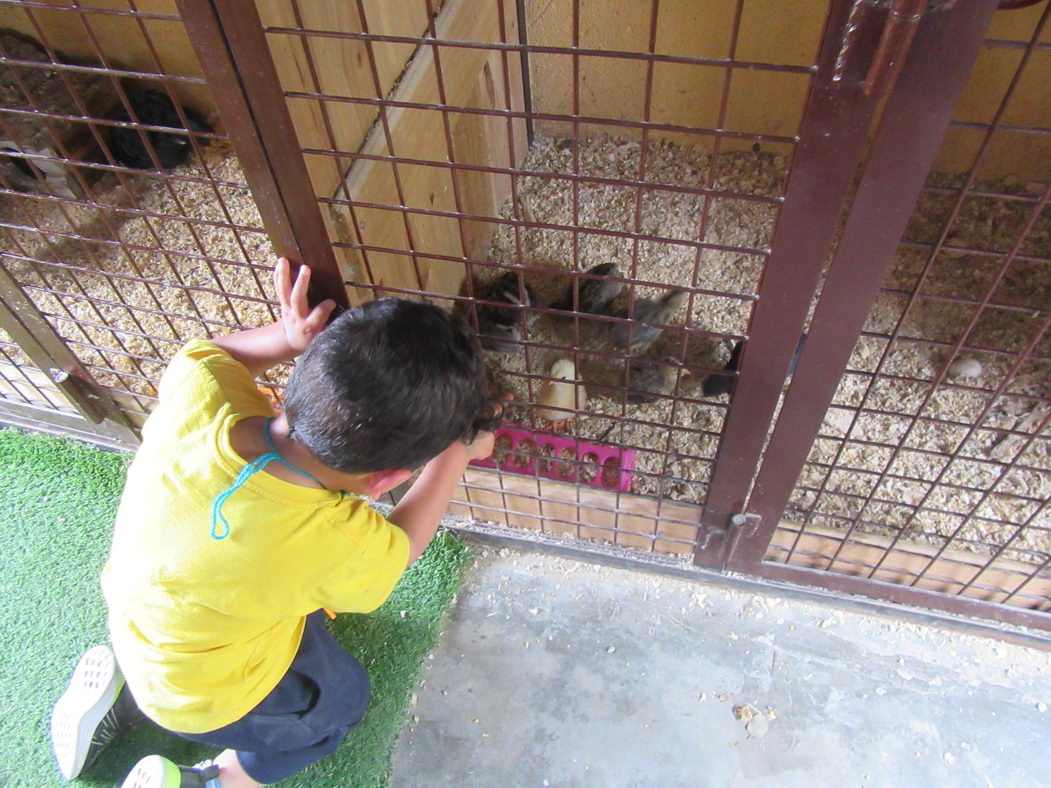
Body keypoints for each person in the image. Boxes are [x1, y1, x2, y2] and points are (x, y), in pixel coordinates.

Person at [49, 258, 500, 787]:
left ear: (306, 370)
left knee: (256, 611)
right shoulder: (330, 540)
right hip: (211, 695)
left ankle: (121, 700)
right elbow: (401, 546)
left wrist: (286, 336)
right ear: (386, 481)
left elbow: (212, 355)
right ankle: (219, 778)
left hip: (145, 624)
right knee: (341, 701)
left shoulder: (201, 401)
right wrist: (457, 456)